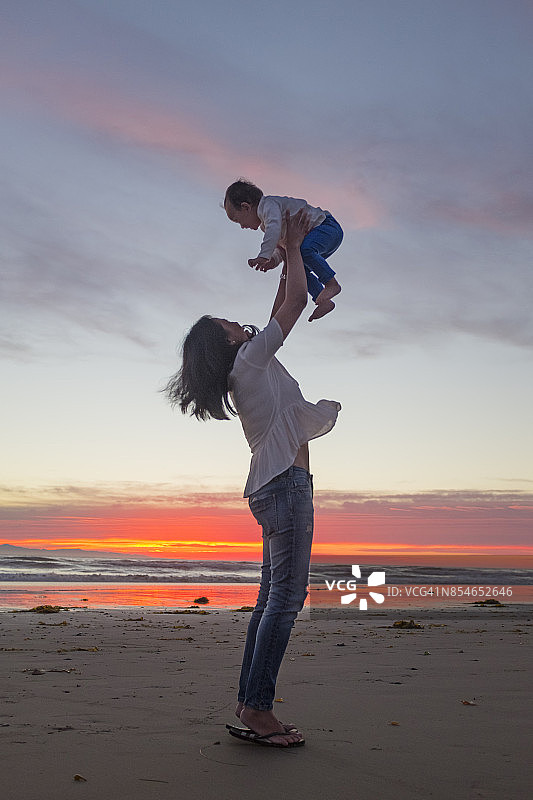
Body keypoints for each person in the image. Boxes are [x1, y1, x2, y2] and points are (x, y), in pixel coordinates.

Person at [164, 209, 341, 748]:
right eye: (227, 324)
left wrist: (290, 252)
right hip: (284, 487)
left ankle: (250, 702)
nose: (237, 323)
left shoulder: (250, 364)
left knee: (272, 599)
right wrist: (288, 244)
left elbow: (278, 305)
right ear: (225, 344)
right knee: (285, 600)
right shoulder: (249, 361)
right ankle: (258, 710)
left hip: (277, 488)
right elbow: (290, 305)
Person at [224, 178, 343, 321]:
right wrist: (273, 260)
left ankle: (331, 284)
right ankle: (322, 299)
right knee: (298, 269)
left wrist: (263, 255)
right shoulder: (266, 225)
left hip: (326, 227)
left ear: (246, 207)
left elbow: (274, 228)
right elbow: (282, 248)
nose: (242, 226)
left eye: (238, 220)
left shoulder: (268, 205)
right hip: (316, 240)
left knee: (304, 251)